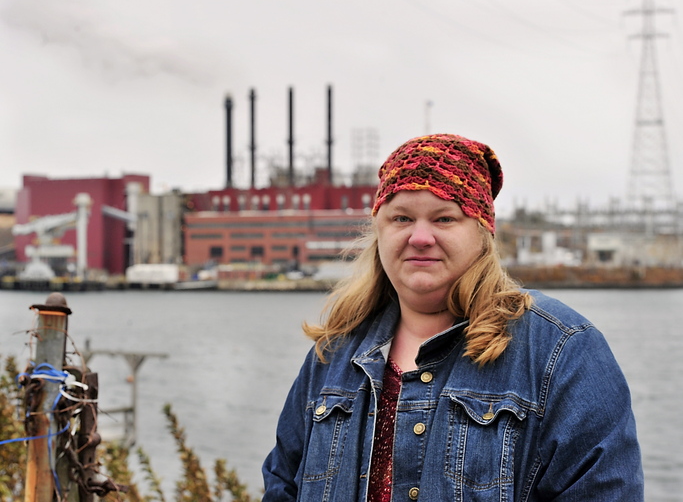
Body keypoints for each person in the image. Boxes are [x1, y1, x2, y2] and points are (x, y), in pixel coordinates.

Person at [262, 134, 643, 501]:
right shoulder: (333, 355)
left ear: (482, 233)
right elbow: (282, 486)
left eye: (444, 218)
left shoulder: (561, 351)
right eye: (401, 218)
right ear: (379, 229)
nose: (420, 237)